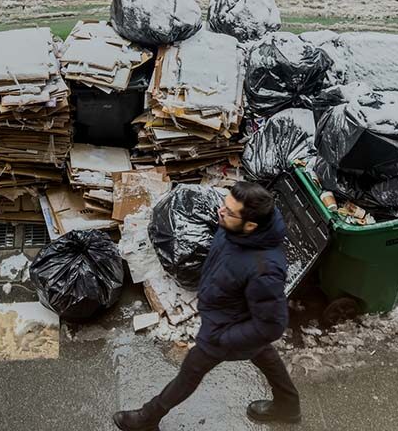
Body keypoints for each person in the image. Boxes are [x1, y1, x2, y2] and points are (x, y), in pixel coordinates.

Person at [113, 182, 301, 430]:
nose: (220, 211)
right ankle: (289, 406)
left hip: (224, 330)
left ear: (251, 225)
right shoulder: (236, 226)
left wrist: (224, 338)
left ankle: (148, 418)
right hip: (228, 313)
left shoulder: (265, 269)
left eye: (229, 211)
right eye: (225, 204)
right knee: (263, 352)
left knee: (191, 371)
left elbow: (271, 326)